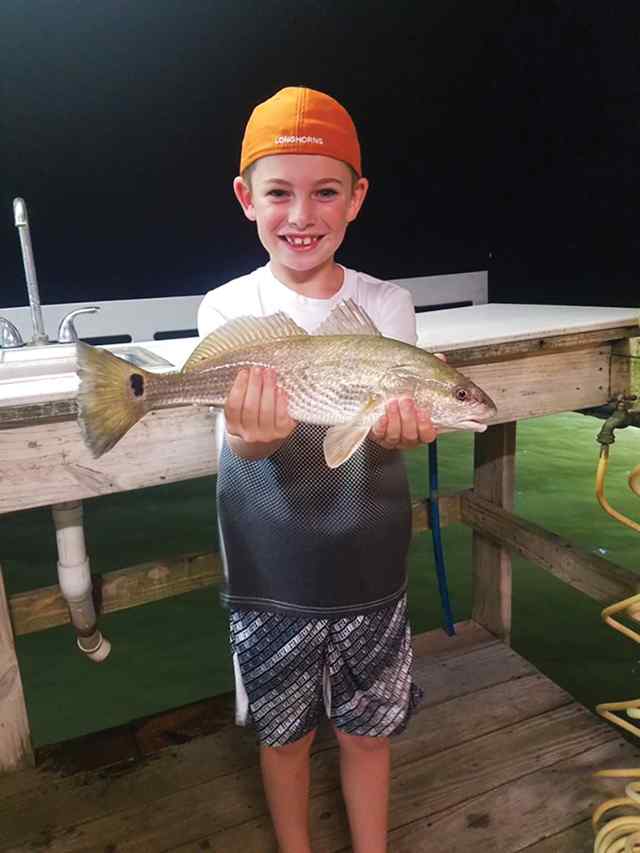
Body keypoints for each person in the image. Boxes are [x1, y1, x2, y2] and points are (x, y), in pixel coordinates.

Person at [197, 86, 437, 853]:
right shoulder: (225, 308)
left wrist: (406, 431)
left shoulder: (387, 306)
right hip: (273, 576)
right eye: (279, 193)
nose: (301, 215)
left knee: (369, 734)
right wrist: (257, 439)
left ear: (356, 197)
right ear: (246, 199)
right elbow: (241, 443)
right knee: (286, 737)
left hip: (371, 570)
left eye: (325, 191)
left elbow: (376, 434)